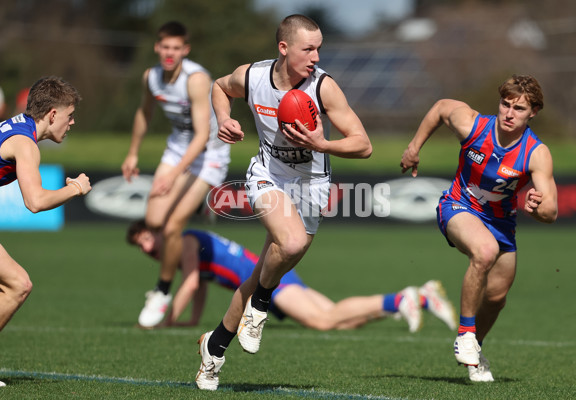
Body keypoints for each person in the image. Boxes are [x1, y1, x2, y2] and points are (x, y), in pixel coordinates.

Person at [196, 14, 373, 390]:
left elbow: (363, 144)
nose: (316, 57)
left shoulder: (323, 88)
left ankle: (214, 347)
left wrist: (322, 144)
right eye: (308, 49)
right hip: (268, 176)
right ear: (284, 48)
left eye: (319, 48)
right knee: (289, 244)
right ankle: (261, 305)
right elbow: (218, 86)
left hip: (313, 186)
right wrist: (222, 118)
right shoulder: (252, 76)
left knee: (265, 269)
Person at [400, 74, 558, 382]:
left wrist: (538, 208)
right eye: (505, 104)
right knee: (485, 252)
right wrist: (414, 146)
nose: (509, 113)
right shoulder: (474, 125)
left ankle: (476, 347)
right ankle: (465, 334)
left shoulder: (536, 153)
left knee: (497, 296)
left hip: (501, 222)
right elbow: (441, 108)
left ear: (533, 112)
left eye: (520, 109)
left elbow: (551, 210)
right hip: (457, 207)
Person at [126, 220, 457, 333]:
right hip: (274, 274)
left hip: (271, 279)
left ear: (157, 232)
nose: (145, 248)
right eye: (138, 245)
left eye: (145, 239)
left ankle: (406, 299)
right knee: (343, 321)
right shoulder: (187, 243)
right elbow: (199, 284)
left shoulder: (183, 241)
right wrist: (188, 320)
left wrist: (167, 320)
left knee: (324, 320)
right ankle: (417, 298)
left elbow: (191, 282)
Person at [120, 21, 230, 329]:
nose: (169, 54)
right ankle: (179, 262)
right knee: (154, 222)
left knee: (172, 225)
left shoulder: (196, 79)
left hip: (208, 155)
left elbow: (201, 135)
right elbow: (144, 112)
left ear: (185, 50)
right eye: (164, 47)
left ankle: (162, 290)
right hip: (177, 150)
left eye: (175, 48)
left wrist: (173, 176)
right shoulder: (151, 77)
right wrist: (132, 153)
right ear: (157, 48)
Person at [0, 76, 92, 387]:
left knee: (17, 284)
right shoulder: (26, 145)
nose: (72, 122)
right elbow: (35, 202)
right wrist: (76, 189)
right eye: (69, 115)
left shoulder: (16, 126)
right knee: (17, 285)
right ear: (52, 114)